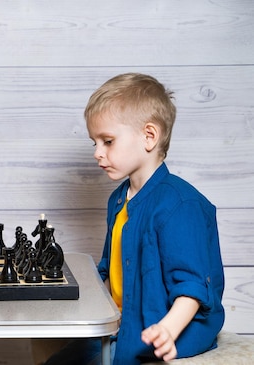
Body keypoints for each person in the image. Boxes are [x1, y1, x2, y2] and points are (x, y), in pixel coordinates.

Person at [42, 73, 225, 364]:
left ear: (149, 136)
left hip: (159, 332)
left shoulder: (180, 204)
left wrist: (168, 329)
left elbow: (192, 286)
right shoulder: (118, 200)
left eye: (108, 141)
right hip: (120, 327)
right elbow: (108, 269)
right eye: (95, 143)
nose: (97, 154)